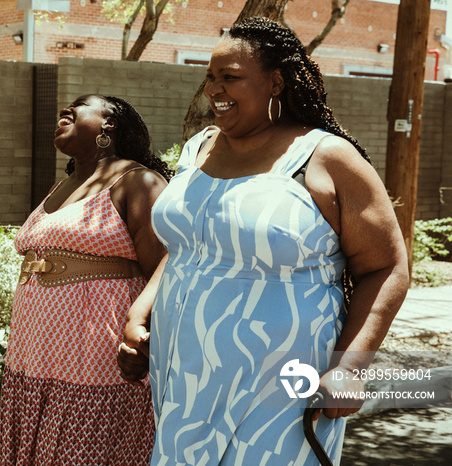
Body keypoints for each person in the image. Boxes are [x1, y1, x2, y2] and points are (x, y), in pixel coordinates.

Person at [117, 17, 409, 465]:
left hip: (282, 380)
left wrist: (351, 365)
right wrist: (140, 313)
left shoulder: (324, 156)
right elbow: (188, 245)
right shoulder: (200, 148)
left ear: (276, 82)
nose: (214, 89)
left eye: (230, 77)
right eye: (210, 76)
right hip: (185, 370)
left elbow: (386, 266)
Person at [0, 94, 172, 465]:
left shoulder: (137, 181)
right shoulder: (62, 186)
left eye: (79, 105)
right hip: (33, 358)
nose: (65, 110)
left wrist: (143, 340)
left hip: (94, 360)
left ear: (109, 124)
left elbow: (168, 268)